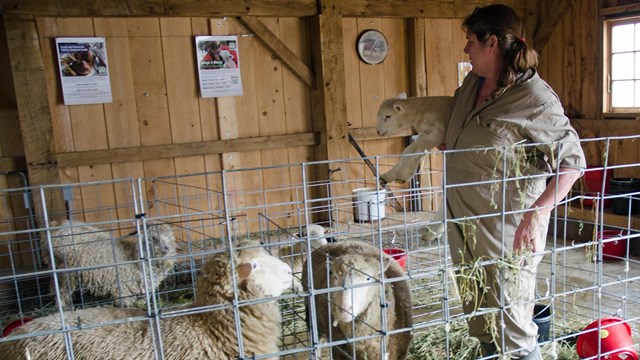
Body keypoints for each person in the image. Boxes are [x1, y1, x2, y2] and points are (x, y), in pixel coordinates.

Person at [443, 4, 586, 359]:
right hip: (462, 221)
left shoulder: (534, 98)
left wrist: (537, 213)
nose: (466, 49)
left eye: (470, 41)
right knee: (478, 313)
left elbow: (573, 161)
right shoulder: (471, 84)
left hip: (505, 230)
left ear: (492, 43)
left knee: (513, 321)